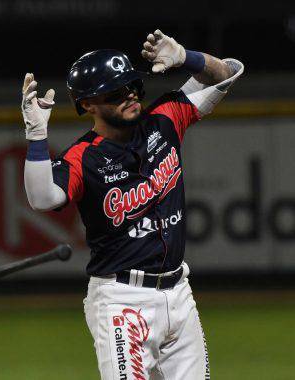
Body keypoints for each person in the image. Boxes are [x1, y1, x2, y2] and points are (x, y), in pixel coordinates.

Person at [21, 30, 243, 379]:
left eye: (132, 86)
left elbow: (226, 73)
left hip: (179, 293)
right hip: (122, 299)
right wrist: (36, 137)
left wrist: (186, 56)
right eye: (114, 92)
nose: (128, 96)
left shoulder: (165, 118)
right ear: (87, 104)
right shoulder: (84, 157)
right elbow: (42, 198)